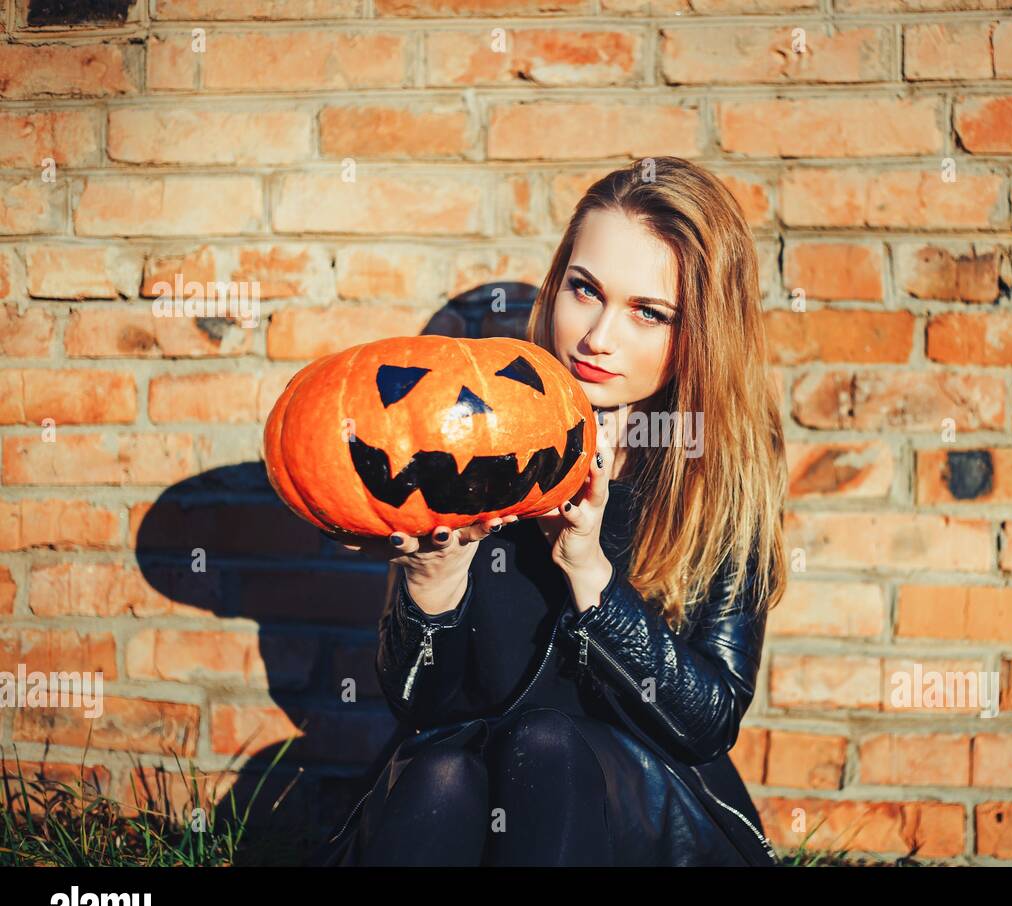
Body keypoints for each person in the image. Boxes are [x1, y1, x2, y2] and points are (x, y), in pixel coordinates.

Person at [312, 156, 789, 866]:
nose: (598, 336)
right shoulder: (471, 445)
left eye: (648, 313)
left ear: (699, 335)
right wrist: (432, 584)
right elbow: (421, 709)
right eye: (585, 289)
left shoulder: (716, 479)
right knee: (441, 773)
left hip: (643, 814)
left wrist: (588, 570)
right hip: (476, 790)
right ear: (557, 281)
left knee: (546, 743)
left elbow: (709, 721)